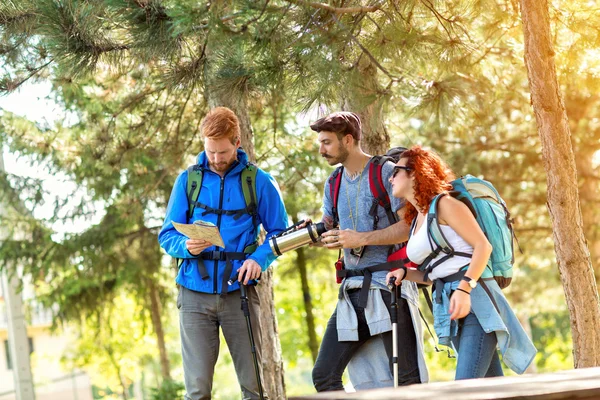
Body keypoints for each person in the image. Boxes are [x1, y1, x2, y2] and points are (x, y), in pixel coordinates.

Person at [158, 107, 288, 400]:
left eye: (223, 152)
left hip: (239, 291)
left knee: (253, 388)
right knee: (197, 390)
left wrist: (259, 259)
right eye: (210, 151)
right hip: (193, 294)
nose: (215, 159)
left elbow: (281, 233)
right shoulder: (188, 180)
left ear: (237, 143)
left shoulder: (259, 181)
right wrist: (186, 247)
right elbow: (167, 235)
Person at [386, 145, 536, 380]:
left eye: (396, 171)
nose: (390, 177)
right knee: (490, 389)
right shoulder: (418, 220)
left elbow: (483, 246)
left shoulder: (445, 204)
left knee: (464, 388)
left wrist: (465, 288)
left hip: (476, 303)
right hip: (451, 306)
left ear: (414, 172)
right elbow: (436, 273)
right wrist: (406, 273)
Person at [310, 112, 427, 392]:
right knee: (324, 376)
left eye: (327, 142)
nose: (321, 149)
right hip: (352, 294)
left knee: (408, 380)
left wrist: (360, 238)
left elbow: (409, 226)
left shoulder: (386, 172)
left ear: (348, 140)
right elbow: (329, 229)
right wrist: (312, 236)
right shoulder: (333, 182)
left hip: (390, 289)